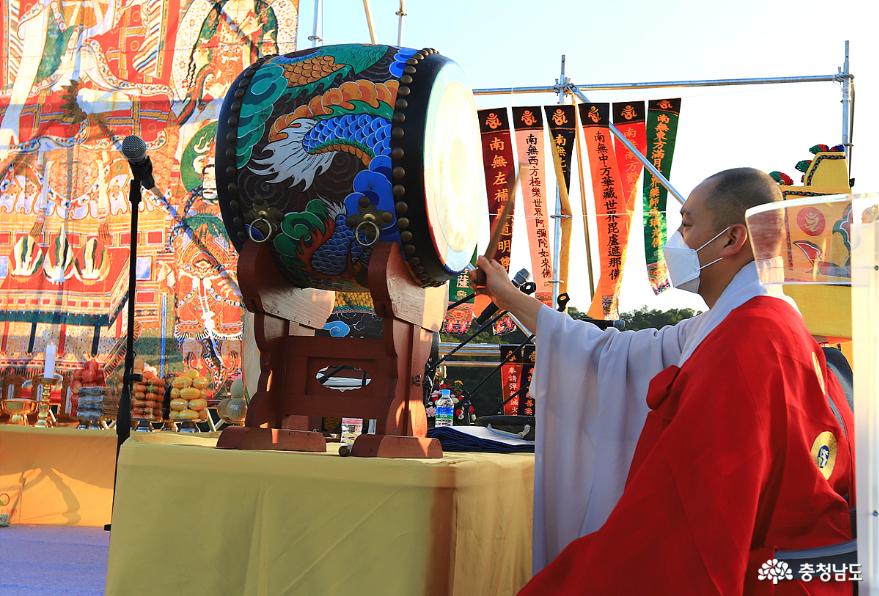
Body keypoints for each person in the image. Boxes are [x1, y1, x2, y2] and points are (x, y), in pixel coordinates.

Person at [471, 168, 854, 593]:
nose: (676, 239)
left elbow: (690, 526)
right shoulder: (748, 321)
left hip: (768, 573)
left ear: (731, 239)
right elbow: (611, 353)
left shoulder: (746, 344)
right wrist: (508, 295)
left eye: (687, 224)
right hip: (801, 563)